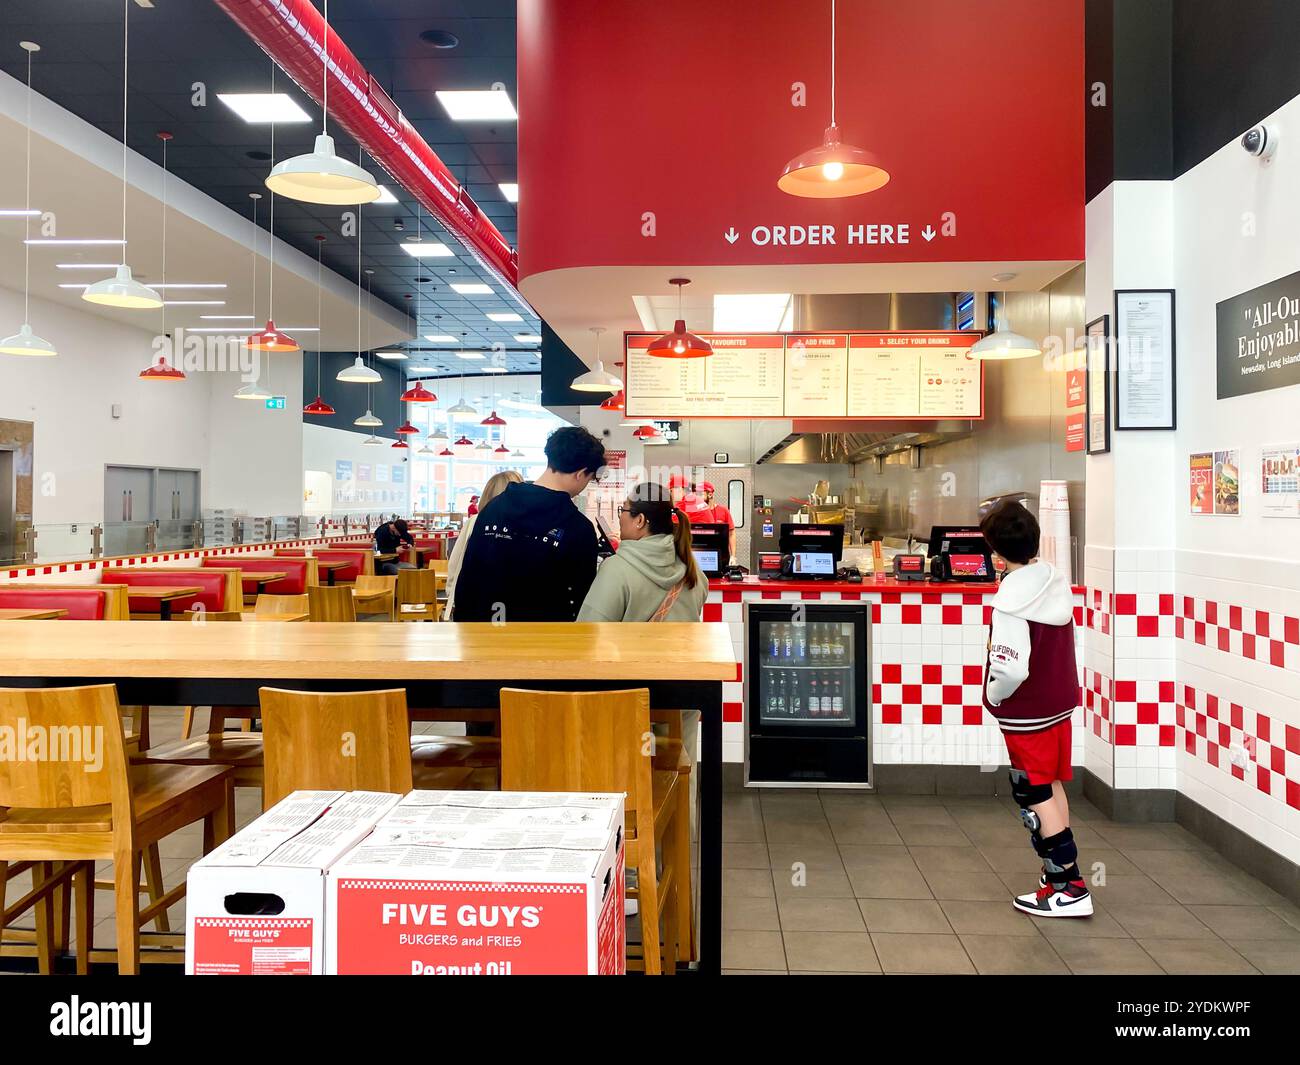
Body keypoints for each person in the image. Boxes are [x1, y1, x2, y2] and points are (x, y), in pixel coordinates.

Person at [980, 501, 1091, 918]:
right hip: (1058, 703)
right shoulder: (1052, 580)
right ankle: (1061, 879)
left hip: (1027, 712)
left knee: (1032, 791)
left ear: (996, 552)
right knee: (1051, 784)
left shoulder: (1011, 599)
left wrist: (994, 695)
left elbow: (1010, 667)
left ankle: (1070, 886)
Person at [452, 425, 605, 622]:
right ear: (580, 473)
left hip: (485, 639)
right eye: (590, 479)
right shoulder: (578, 528)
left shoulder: (493, 509)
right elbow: (580, 599)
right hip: (547, 642)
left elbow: (468, 579)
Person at [577, 482, 707, 622]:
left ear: (640, 520)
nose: (620, 518)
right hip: (684, 645)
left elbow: (590, 632)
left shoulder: (615, 570)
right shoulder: (693, 570)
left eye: (623, 510)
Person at [443, 470, 523, 619]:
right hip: (511, 607)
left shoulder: (475, 522)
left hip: (473, 602)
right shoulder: (524, 525)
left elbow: (455, 564)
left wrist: (452, 594)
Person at [700, 481, 736, 562]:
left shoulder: (723, 511)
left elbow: (731, 533)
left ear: (710, 494)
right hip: (702, 555)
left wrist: (733, 556)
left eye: (701, 494)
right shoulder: (697, 513)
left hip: (722, 555)